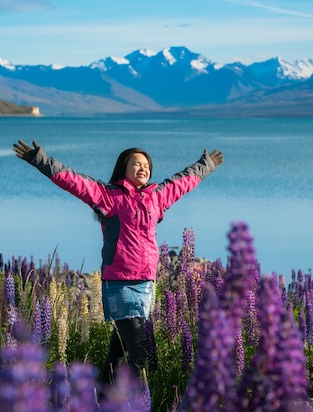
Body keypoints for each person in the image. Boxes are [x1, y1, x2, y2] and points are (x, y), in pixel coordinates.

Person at [13, 140, 223, 385]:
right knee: (142, 353)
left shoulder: (156, 197)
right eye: (136, 164)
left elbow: (183, 182)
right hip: (119, 284)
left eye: (146, 165)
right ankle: (129, 403)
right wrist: (39, 159)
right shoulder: (108, 196)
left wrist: (206, 164)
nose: (143, 168)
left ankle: (100, 398)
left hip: (146, 284)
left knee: (120, 349)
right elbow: (72, 180)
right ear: (124, 168)